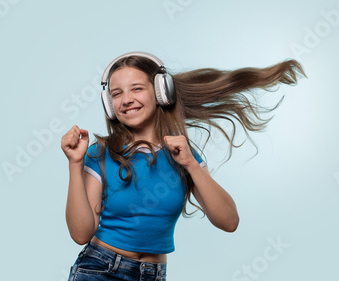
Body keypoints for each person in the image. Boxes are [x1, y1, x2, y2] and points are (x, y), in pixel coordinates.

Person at [61, 51, 305, 280]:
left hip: (154, 273)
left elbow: (229, 222)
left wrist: (191, 164)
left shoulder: (184, 155)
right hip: (101, 269)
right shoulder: (100, 153)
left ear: (160, 92)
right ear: (108, 103)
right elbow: (81, 234)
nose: (126, 100)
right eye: (116, 93)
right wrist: (75, 163)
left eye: (136, 88)